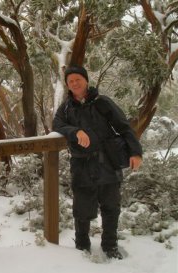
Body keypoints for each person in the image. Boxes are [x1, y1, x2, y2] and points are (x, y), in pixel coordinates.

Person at [52, 65, 142, 259]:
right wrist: (75, 132)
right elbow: (57, 124)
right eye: (70, 81)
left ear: (86, 80)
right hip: (81, 166)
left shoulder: (102, 102)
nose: (74, 83)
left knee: (111, 208)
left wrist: (136, 152)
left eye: (78, 79)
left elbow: (124, 128)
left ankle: (110, 246)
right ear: (67, 85)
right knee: (81, 210)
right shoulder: (66, 107)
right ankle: (82, 247)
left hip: (107, 163)